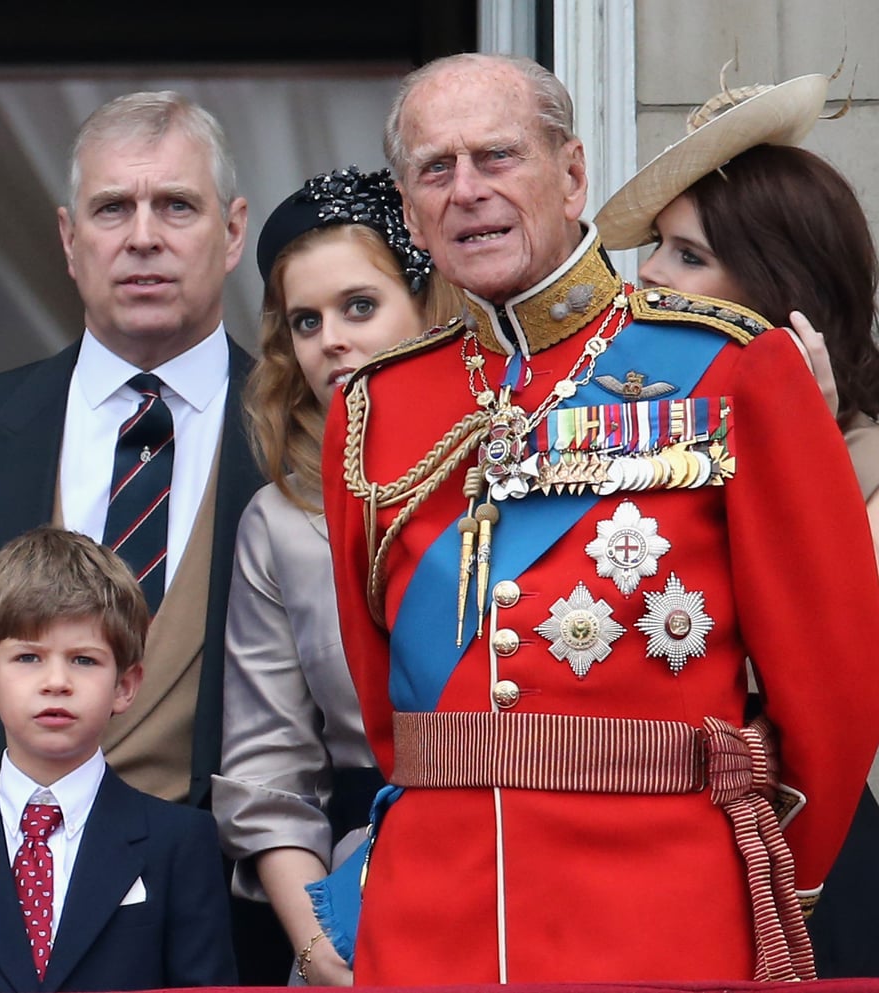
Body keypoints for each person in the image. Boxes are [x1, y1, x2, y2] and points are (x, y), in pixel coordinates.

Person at [320, 53, 879, 985]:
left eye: (498, 157)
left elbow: (831, 687)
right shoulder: (372, 407)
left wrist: (778, 880)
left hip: (661, 918)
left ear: (573, 172)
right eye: (435, 168)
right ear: (412, 211)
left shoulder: (732, 365)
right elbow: (390, 709)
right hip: (429, 925)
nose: (468, 191)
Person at [0, 90, 281, 984]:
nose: (143, 236)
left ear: (232, 230)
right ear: (67, 236)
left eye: (177, 205)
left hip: (228, 942)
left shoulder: (305, 442)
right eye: (112, 208)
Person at [594, 74, 879, 977]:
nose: (648, 275)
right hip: (670, 856)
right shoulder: (636, 461)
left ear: (774, 294)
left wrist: (807, 466)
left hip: (833, 854)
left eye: (685, 255)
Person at [212, 166, 462, 986]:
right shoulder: (280, 523)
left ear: (430, 303)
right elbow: (267, 775)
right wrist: (321, 952)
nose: (332, 341)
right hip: (363, 894)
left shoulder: (525, 464)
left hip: (535, 862)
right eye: (305, 322)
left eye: (360, 306)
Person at [0, 527, 237, 992]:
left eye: (84, 660)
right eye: (28, 658)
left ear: (125, 685)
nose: (56, 682)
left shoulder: (179, 843)